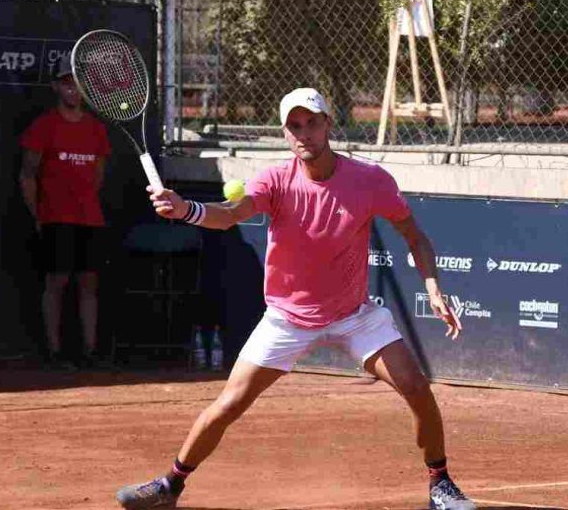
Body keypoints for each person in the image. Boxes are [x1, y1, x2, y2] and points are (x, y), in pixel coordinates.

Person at [116, 88, 477, 509]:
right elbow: (231, 214)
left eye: (312, 123)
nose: (304, 133)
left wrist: (432, 287)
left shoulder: (370, 181)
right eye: (295, 126)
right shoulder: (274, 181)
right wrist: (186, 210)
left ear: (328, 125)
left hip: (353, 316)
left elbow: (415, 237)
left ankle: (440, 483)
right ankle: (169, 486)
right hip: (287, 318)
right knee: (230, 403)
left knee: (416, 386)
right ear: (286, 134)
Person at [19, 57, 111, 369]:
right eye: (66, 81)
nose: (73, 88)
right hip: (55, 218)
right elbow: (27, 174)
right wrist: (38, 214)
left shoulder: (97, 129)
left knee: (89, 283)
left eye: (78, 82)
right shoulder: (43, 126)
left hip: (90, 218)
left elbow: (98, 177)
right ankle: (54, 353)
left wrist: (83, 202)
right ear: (56, 86)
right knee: (56, 283)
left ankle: (90, 352)